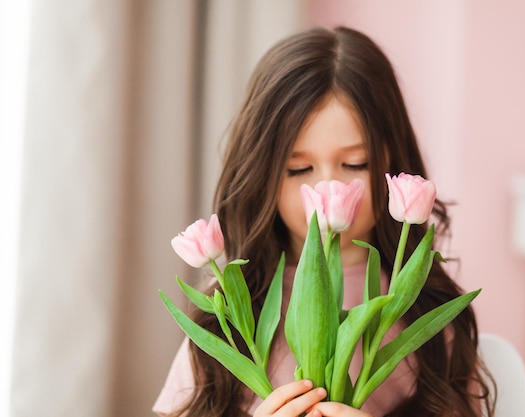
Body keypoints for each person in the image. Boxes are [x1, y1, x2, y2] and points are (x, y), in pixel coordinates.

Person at [153, 26, 495, 417]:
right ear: (262, 175)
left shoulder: (429, 322)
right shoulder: (228, 319)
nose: (328, 187)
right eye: (299, 168)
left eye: (355, 164)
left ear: (393, 163)